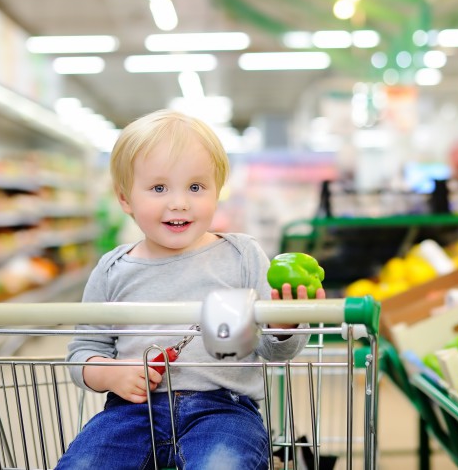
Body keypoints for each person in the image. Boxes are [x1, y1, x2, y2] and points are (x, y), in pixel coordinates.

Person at [57, 109, 326, 470]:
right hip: (130, 412)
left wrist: (286, 324)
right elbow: (84, 352)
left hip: (225, 409)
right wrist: (111, 373)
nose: (179, 202)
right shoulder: (112, 269)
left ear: (217, 192)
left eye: (196, 187)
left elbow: (273, 350)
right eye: (158, 188)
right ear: (125, 199)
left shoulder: (242, 256)